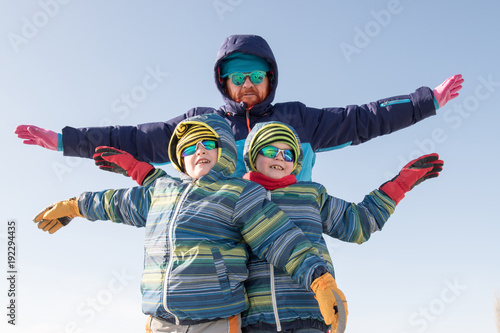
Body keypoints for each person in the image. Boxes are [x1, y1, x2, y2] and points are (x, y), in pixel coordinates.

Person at [92, 121, 443, 333]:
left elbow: (359, 224)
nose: (279, 158)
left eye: (288, 153)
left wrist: (400, 185)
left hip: (309, 312)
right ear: (252, 156)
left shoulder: (310, 195)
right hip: (252, 320)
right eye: (271, 150)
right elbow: (181, 201)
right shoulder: (231, 195)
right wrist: (141, 172)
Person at [32, 113, 347, 333]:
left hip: (215, 318)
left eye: (207, 144)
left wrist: (320, 280)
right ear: (179, 158)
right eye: (189, 146)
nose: (199, 150)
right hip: (160, 319)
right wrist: (74, 206)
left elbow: (279, 238)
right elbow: (117, 202)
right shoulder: (161, 192)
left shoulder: (238, 192)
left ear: (223, 151)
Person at [15, 34, 463, 181]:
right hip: (218, 237)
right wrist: (63, 141)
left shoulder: (298, 119)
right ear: (224, 83)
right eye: (237, 77)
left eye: (255, 75)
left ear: (269, 80)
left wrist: (428, 100)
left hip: (285, 228)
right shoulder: (199, 124)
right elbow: (133, 137)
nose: (247, 85)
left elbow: (364, 118)